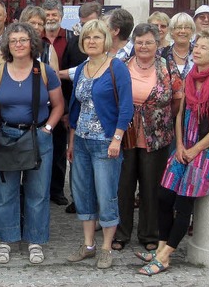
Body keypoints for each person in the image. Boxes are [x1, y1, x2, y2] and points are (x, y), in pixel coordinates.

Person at [138, 30, 209, 276]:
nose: (197, 50)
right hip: (185, 146)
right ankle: (160, 246)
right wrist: (180, 146)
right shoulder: (191, 77)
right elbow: (180, 114)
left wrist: (195, 150)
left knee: (183, 203)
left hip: (208, 150)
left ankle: (166, 256)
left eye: (203, 47)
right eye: (197, 46)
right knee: (163, 195)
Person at [0, 23, 64, 264]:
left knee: (38, 191)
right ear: (7, 45)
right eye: (13, 41)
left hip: (37, 136)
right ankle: (7, 239)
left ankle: (35, 240)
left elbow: (59, 105)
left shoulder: (45, 72)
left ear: (32, 43)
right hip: (7, 136)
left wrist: (47, 130)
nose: (18, 44)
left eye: (23, 40)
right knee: (5, 191)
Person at [66, 19, 133, 269]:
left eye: (96, 37)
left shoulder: (117, 68)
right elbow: (76, 108)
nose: (91, 42)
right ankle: (88, 244)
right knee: (82, 193)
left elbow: (126, 107)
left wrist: (117, 138)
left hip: (106, 142)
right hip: (82, 141)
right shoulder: (82, 68)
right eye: (87, 38)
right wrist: (72, 141)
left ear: (106, 40)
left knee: (106, 195)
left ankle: (105, 247)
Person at [112, 23, 183, 252]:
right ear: (134, 43)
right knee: (124, 186)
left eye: (148, 42)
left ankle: (149, 233)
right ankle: (121, 233)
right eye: (139, 42)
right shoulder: (121, 66)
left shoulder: (168, 67)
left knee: (151, 186)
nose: (143, 46)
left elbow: (177, 101)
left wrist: (157, 118)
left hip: (157, 135)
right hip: (125, 134)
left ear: (157, 44)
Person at [59, 1, 101, 214]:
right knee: (76, 159)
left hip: (103, 125)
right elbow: (66, 76)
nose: (88, 32)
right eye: (83, 25)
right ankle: (79, 199)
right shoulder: (74, 43)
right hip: (78, 117)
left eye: (91, 24)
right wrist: (67, 110)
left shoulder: (110, 54)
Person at [41, 0, 70, 207]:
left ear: (61, 16)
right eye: (47, 15)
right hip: (40, 102)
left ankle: (57, 190)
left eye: (54, 15)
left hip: (62, 99)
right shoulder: (36, 39)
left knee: (59, 147)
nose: (50, 18)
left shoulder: (71, 38)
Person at [164, 12, 196, 79]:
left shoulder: (198, 52)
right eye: (179, 27)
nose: (183, 31)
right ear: (172, 31)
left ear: (192, 31)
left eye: (187, 27)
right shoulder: (163, 54)